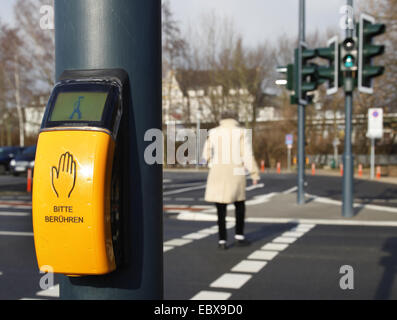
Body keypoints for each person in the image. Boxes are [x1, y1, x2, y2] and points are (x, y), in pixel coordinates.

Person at [202, 110, 260, 249]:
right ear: (235, 119)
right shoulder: (241, 132)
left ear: (221, 119)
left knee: (220, 207)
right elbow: (246, 154)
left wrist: (211, 163)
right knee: (239, 203)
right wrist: (254, 173)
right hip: (236, 170)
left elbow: (205, 153)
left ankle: (222, 240)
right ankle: (239, 236)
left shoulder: (214, 132)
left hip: (218, 170)